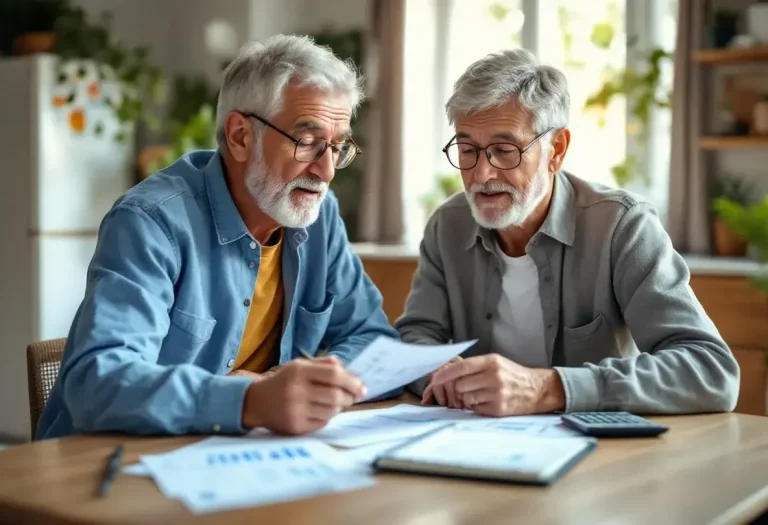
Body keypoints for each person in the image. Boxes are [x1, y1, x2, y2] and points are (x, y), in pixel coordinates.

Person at [37, 34, 399, 440]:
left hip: (230, 458)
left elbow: (373, 339)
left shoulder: (319, 218)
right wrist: (248, 399)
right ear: (241, 136)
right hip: (101, 466)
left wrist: (299, 383)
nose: (327, 171)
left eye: (337, 147)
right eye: (308, 143)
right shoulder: (152, 222)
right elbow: (98, 383)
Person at [396, 49, 740, 417]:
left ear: (555, 150)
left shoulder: (622, 226)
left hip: (602, 452)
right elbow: (414, 339)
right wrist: (439, 374)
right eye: (467, 150)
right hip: (477, 439)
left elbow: (710, 370)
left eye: (504, 150)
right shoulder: (448, 226)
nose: (481, 175)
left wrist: (549, 389)